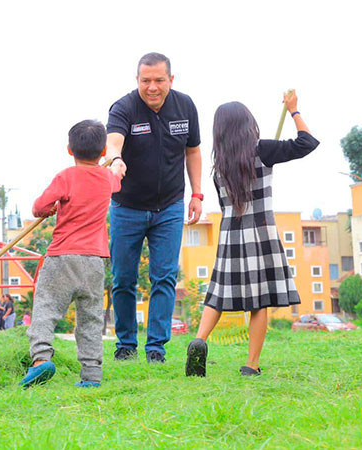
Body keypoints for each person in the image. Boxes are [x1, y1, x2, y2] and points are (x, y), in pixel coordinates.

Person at [186, 90, 319, 377]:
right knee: (259, 303)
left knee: (217, 296)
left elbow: (226, 207)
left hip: (230, 237)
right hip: (260, 236)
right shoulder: (263, 150)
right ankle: (251, 364)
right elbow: (307, 143)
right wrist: (294, 111)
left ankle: (199, 340)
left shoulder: (217, 167)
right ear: (249, 124)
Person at [106, 52, 203, 364]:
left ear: (170, 80)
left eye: (159, 80)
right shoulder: (123, 107)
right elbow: (113, 141)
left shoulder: (185, 106)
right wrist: (116, 159)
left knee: (164, 277)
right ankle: (126, 345)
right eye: (145, 80)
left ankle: (156, 350)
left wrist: (197, 194)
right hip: (127, 207)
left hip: (170, 207)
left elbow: (193, 151)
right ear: (137, 81)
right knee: (123, 278)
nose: (152, 87)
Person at [21, 120, 121, 388]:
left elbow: (38, 206)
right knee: (90, 318)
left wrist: (49, 209)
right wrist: (116, 165)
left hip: (62, 257)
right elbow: (117, 180)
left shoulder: (65, 177)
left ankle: (41, 358)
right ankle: (91, 375)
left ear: (69, 149)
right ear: (101, 153)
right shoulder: (106, 178)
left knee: (45, 309)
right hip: (93, 261)